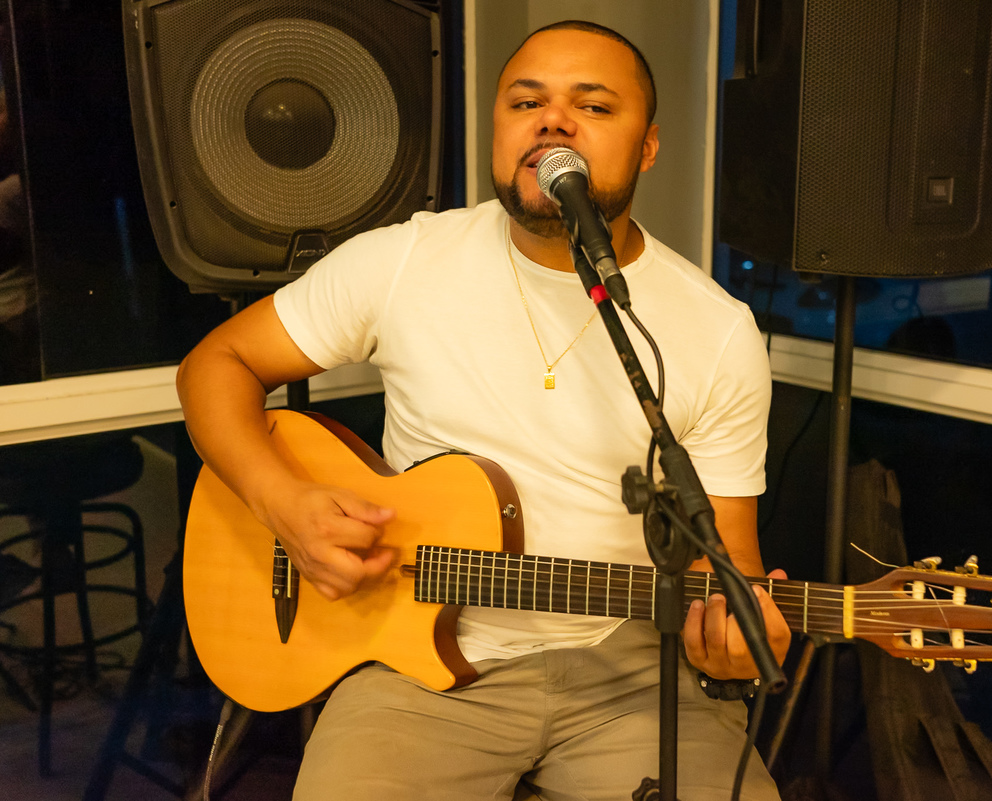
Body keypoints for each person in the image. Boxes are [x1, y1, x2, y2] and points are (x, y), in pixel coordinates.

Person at [177, 20, 790, 801]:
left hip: (629, 671)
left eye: (593, 107)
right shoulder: (403, 261)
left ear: (648, 147)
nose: (553, 120)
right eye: (525, 101)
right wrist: (285, 503)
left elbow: (722, 559)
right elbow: (214, 365)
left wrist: (730, 640)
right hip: (412, 671)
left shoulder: (715, 328)